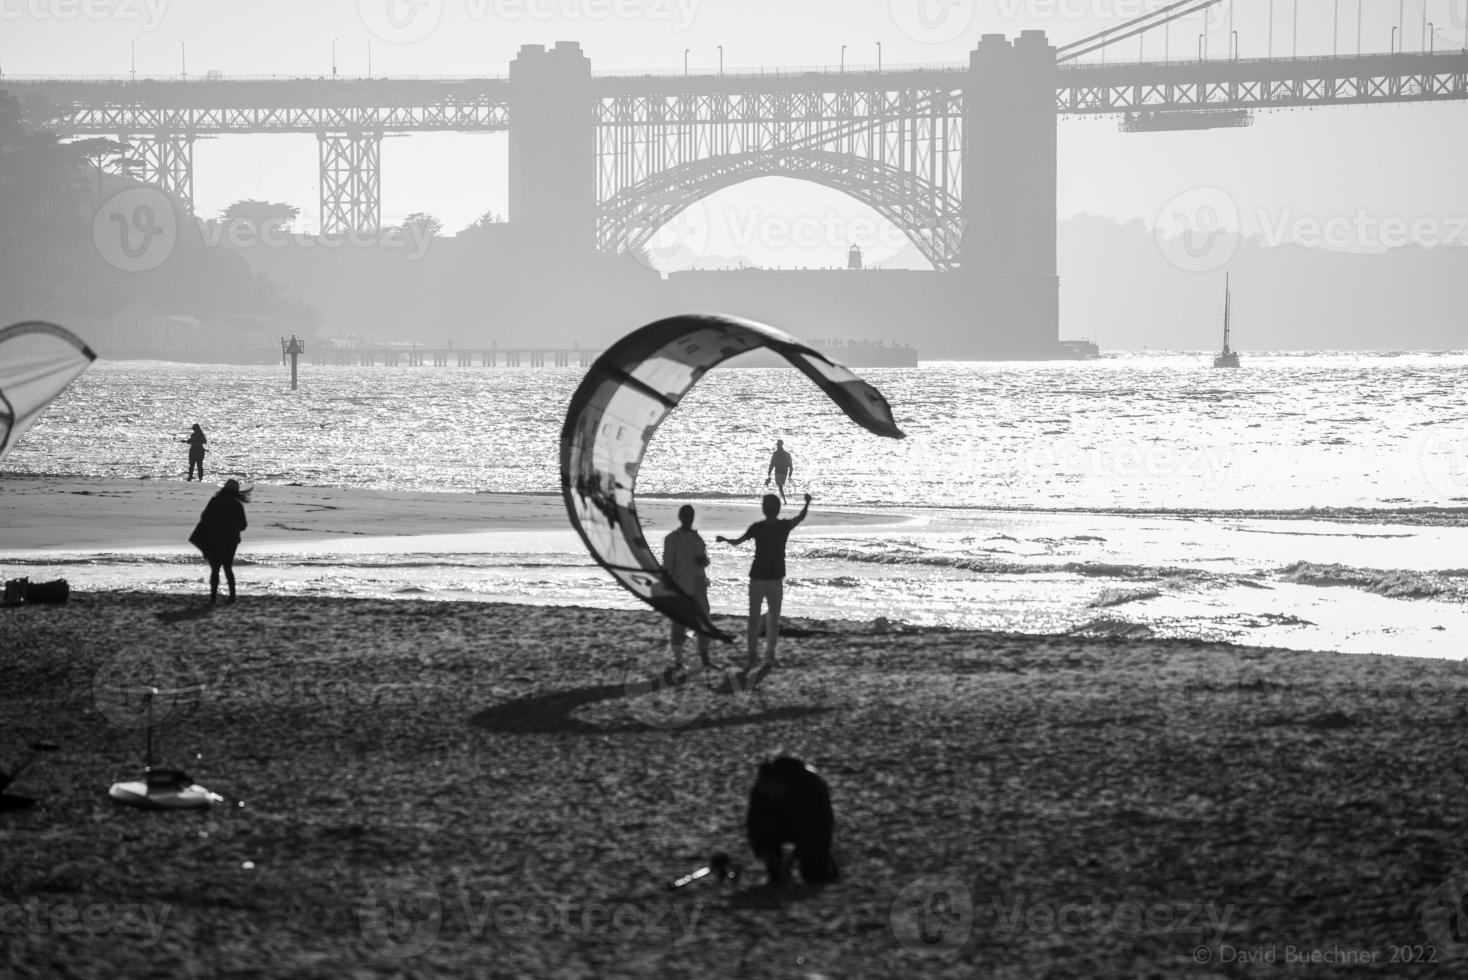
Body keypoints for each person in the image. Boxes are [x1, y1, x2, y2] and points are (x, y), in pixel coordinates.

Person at [717, 492, 811, 674]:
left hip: (764, 577)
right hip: (767, 578)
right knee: (768, 619)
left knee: (761, 619)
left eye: (765, 504)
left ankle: (761, 656)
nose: (764, 506)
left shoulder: (762, 527)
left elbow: (737, 542)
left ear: (768, 508)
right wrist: (807, 504)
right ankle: (762, 656)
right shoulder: (777, 526)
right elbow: (800, 517)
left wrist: (725, 540)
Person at [661, 504, 714, 672]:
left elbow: (704, 560)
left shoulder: (697, 538)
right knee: (679, 624)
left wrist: (704, 561)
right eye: (686, 515)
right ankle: (678, 662)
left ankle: (705, 658)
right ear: (680, 517)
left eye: (691, 515)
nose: (688, 518)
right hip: (680, 586)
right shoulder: (672, 539)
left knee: (704, 621)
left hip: (698, 583)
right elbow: (667, 566)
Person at [188, 479, 250, 604]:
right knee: (228, 567)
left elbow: (204, 517)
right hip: (231, 541)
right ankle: (232, 597)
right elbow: (243, 526)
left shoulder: (215, 502)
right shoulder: (237, 506)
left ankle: (213, 598)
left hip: (214, 539)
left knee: (215, 569)